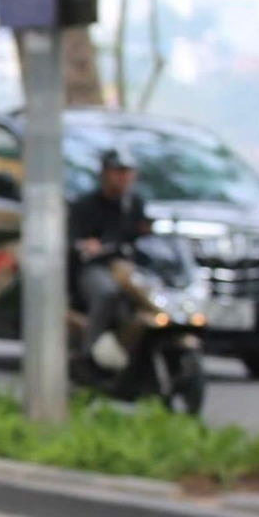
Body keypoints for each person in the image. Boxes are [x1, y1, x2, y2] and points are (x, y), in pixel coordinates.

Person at [69, 146, 150, 370]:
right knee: (107, 294)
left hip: (127, 266)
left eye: (128, 172)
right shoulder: (86, 205)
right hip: (95, 267)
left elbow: (144, 236)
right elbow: (72, 239)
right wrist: (87, 244)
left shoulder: (134, 204)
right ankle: (89, 353)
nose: (124, 177)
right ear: (105, 173)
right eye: (118, 171)